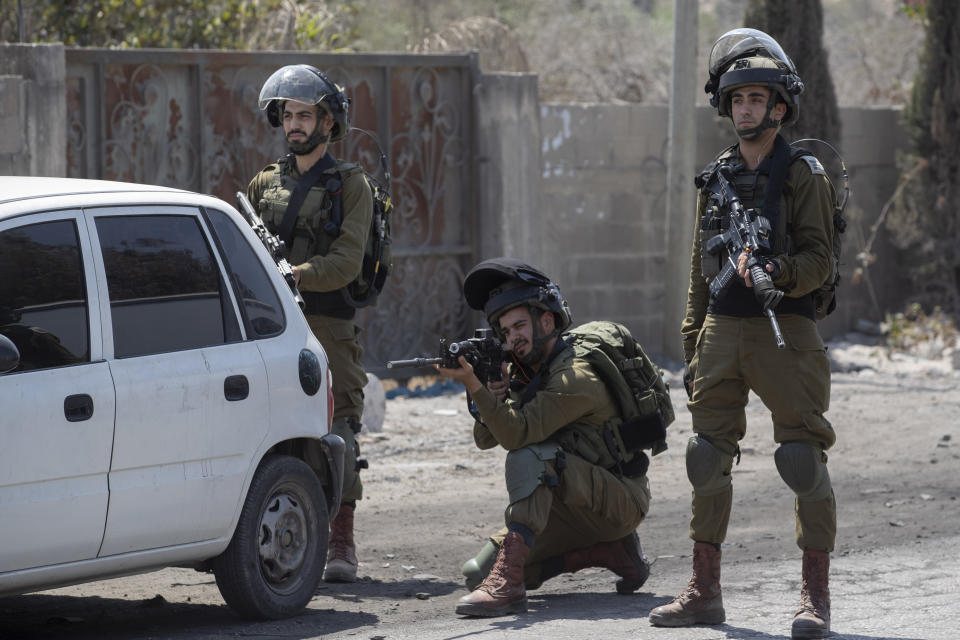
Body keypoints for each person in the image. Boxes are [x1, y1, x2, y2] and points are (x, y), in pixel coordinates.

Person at [649, 29, 837, 640]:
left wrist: (778, 271)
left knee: (802, 459)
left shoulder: (802, 174)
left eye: (758, 99)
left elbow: (820, 261)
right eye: (737, 100)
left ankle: (815, 599)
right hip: (723, 330)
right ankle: (705, 592)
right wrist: (692, 339)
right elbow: (700, 271)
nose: (746, 110)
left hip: (786, 332)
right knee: (706, 458)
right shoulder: (716, 180)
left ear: (779, 107)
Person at [436, 258, 652, 618]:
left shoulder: (575, 377)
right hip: (571, 501)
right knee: (477, 574)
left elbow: (516, 436)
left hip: (618, 500)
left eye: (519, 325)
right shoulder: (532, 372)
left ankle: (509, 589)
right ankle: (606, 552)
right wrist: (495, 390)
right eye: (504, 332)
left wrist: (475, 386)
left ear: (546, 321)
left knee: (529, 455)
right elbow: (485, 438)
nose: (512, 338)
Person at [247, 64, 373, 583]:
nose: (294, 124)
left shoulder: (350, 186)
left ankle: (341, 542)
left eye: (304, 115)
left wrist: (292, 274)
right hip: (273, 327)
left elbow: (346, 262)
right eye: (288, 115)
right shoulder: (262, 184)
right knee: (263, 425)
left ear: (327, 123)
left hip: (328, 325)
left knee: (337, 427)